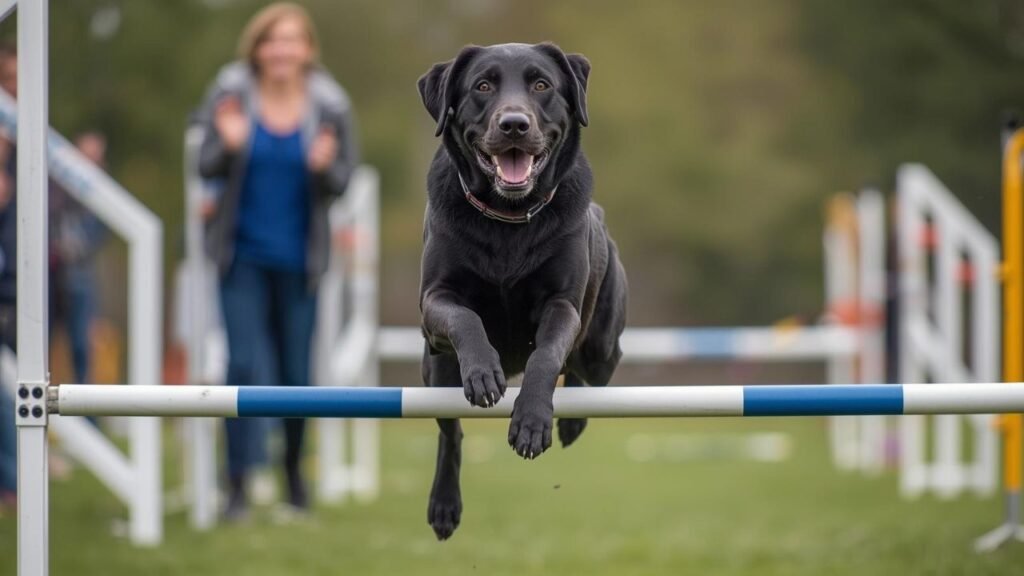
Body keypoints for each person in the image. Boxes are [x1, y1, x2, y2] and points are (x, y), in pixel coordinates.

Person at [196, 2, 358, 520]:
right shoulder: (230, 97)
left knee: (295, 374)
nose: (282, 50)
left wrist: (325, 168)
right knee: (241, 366)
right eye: (272, 40)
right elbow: (202, 164)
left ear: (308, 49)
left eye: (292, 40)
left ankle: (293, 475)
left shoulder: (331, 106)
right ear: (257, 48)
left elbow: (343, 181)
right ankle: (237, 485)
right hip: (240, 256)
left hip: (300, 259)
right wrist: (228, 144)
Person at [50, 131, 108, 385]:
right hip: (51, 275)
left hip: (80, 277)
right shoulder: (56, 185)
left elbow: (95, 238)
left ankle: (88, 418)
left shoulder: (102, 196)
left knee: (82, 348)